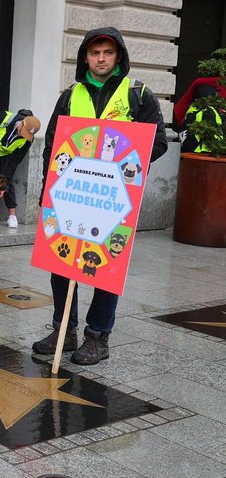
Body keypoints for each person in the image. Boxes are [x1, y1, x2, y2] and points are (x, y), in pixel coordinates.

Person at [32, 27, 167, 366]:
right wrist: (46, 194)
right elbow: (52, 146)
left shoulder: (138, 95)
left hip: (113, 201)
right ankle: (65, 329)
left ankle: (97, 337)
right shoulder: (70, 96)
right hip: (71, 197)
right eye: (95, 53)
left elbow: (158, 142)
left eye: (107, 52)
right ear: (85, 58)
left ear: (118, 55)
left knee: (106, 268)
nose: (101, 58)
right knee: (61, 264)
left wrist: (123, 166)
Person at [0, 109, 40, 228]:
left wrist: (7, 177)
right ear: (22, 123)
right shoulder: (2, 117)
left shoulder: (28, 140)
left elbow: (16, 159)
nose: (23, 136)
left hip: (7, 155)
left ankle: (12, 216)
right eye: (23, 132)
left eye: (27, 135)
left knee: (6, 181)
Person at [176, 84, 224, 153]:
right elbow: (214, 135)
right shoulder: (208, 111)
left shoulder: (192, 111)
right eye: (215, 95)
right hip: (206, 153)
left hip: (191, 153)